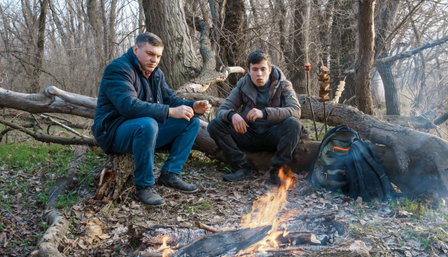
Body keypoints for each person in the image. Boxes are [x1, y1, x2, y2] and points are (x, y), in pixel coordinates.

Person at [92, 32, 211, 206]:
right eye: (150, 54)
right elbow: (128, 106)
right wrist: (170, 111)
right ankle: (144, 186)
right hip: (113, 132)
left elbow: (171, 100)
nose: (154, 60)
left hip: (144, 130)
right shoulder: (119, 69)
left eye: (158, 56)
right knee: (147, 124)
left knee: (191, 121)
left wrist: (193, 106)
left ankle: (170, 174)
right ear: (135, 49)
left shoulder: (155, 73)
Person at [207, 50, 304, 185]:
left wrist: (264, 113)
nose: (259, 74)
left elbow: (295, 110)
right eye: (255, 69)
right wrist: (232, 115)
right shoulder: (243, 84)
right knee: (215, 125)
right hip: (249, 133)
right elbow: (223, 109)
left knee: (294, 124)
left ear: (269, 69)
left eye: (263, 69)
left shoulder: (283, 84)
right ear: (249, 70)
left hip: (274, 134)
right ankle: (242, 167)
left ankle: (278, 170)